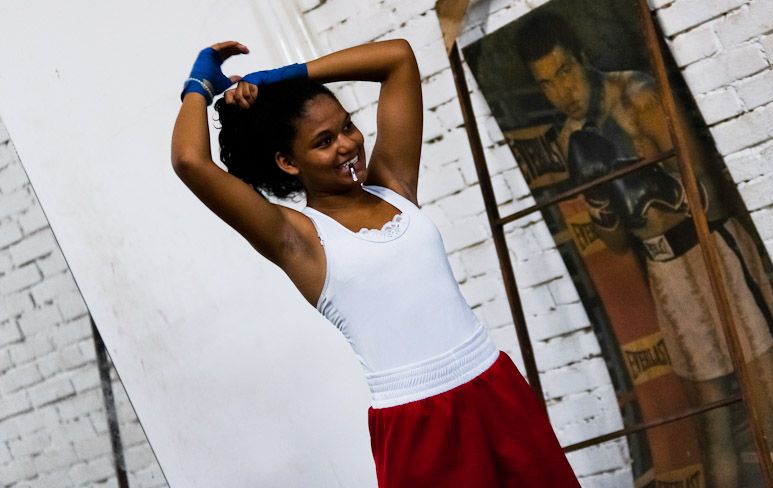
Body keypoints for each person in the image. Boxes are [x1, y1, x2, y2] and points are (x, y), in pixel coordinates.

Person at [171, 40, 580, 488]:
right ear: (288, 162)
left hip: (494, 384)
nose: (348, 145)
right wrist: (199, 85)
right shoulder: (297, 239)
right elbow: (190, 160)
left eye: (347, 127)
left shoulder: (392, 185)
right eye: (324, 142)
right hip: (418, 423)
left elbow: (398, 59)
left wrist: (282, 77)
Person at [515, 13, 773, 488]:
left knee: (772, 408)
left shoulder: (638, 95)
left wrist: (643, 172)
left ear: (584, 60)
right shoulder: (572, 139)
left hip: (713, 250)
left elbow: (706, 191)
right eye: (546, 83)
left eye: (564, 71)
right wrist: (603, 196)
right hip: (664, 269)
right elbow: (614, 243)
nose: (561, 91)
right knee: (714, 429)